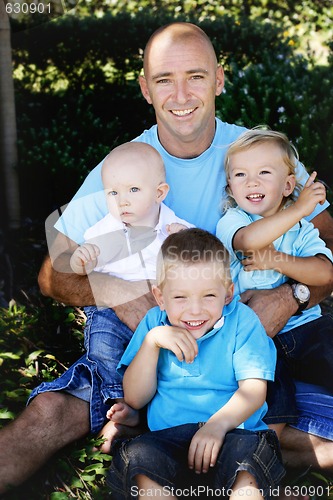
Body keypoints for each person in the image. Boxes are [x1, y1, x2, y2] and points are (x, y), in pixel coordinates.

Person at [0, 21, 333, 494]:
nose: (181, 95)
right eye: (163, 79)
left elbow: (328, 247)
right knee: (47, 417)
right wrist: (126, 295)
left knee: (299, 432)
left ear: (219, 79)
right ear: (144, 88)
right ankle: (147, 422)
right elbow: (51, 277)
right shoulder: (124, 167)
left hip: (244, 346)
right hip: (149, 350)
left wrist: (291, 296)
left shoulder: (260, 155)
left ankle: (178, 436)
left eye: (195, 76)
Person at [107, 228, 284, 499]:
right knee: (140, 459)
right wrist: (152, 343)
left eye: (208, 296)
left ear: (228, 293)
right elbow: (135, 398)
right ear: (160, 297)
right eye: (180, 298)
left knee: (248, 465)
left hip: (234, 434)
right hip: (168, 440)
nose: (195, 310)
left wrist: (216, 426)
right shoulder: (154, 324)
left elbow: (254, 391)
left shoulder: (242, 321)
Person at [69, 141, 191, 442]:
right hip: (111, 309)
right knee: (104, 346)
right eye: (113, 193)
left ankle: (162, 406)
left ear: (159, 193)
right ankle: (122, 404)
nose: (122, 201)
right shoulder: (104, 229)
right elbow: (83, 261)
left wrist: (186, 242)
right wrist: (82, 258)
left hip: (161, 307)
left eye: (133, 191)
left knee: (170, 354)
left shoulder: (174, 228)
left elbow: (199, 260)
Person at [216, 128, 333, 438]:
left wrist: (278, 260)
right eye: (240, 174)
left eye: (264, 173)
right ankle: (261, 463)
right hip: (256, 340)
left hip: (305, 330)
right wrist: (299, 208)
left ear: (288, 185)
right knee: (269, 406)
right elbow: (248, 242)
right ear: (230, 186)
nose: (251, 182)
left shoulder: (302, 229)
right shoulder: (233, 220)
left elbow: (325, 274)